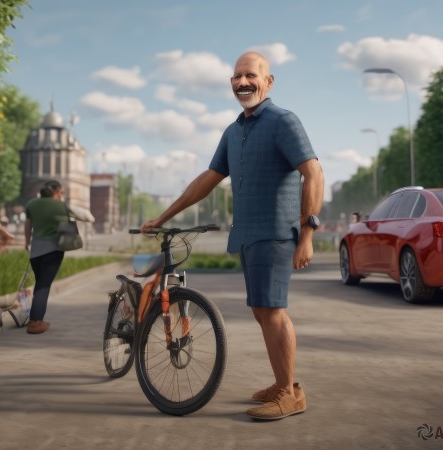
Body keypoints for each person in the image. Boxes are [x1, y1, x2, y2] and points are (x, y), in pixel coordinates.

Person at [140, 51, 325, 420]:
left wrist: (308, 233)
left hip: (275, 233)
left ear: (268, 82)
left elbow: (314, 173)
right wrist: (164, 215)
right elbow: (206, 181)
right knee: (263, 311)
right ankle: (283, 383)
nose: (243, 82)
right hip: (249, 234)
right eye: (237, 76)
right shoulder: (233, 131)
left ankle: (289, 394)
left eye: (251, 75)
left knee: (272, 311)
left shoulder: (283, 121)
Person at [24, 179, 94, 335]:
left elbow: (28, 224)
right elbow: (89, 217)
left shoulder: (31, 204)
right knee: (43, 286)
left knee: (40, 284)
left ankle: (35, 319)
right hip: (53, 250)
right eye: (62, 192)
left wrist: (26, 242)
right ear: (57, 192)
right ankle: (35, 322)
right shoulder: (61, 205)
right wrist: (63, 203)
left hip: (35, 251)